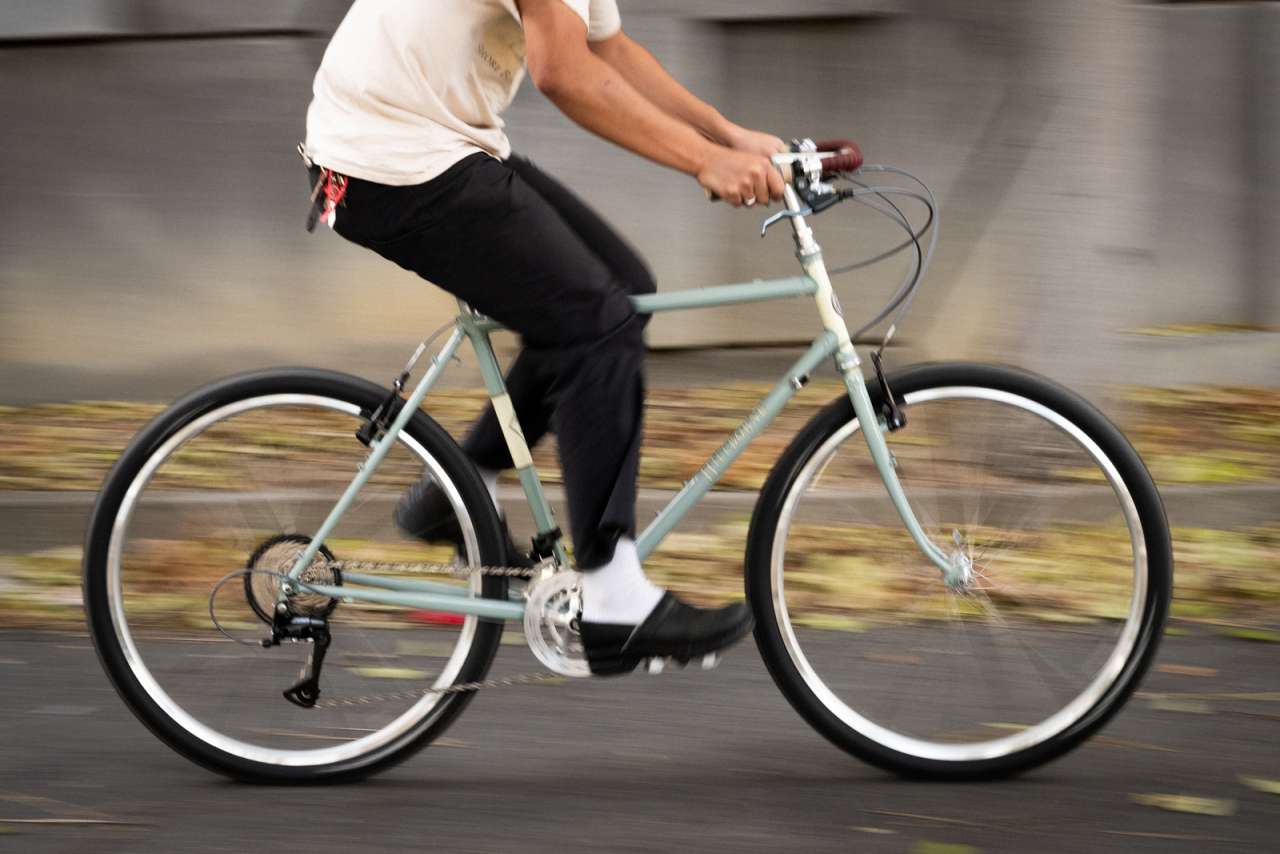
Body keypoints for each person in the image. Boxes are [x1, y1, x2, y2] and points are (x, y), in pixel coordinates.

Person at [303, 0, 785, 674]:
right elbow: (563, 73)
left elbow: (609, 49)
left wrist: (726, 135)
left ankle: (459, 488)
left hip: (430, 145)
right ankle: (614, 598)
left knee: (623, 291)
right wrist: (705, 159)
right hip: (391, 160)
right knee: (599, 324)